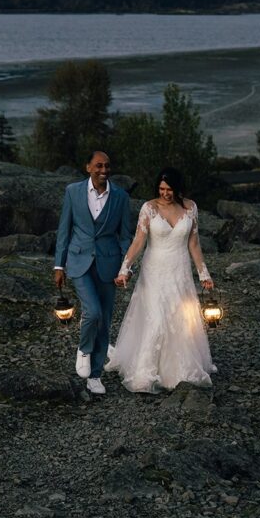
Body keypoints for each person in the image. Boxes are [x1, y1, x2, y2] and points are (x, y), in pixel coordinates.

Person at [105, 167, 216, 393]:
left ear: (178, 189)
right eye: (162, 189)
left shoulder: (190, 207)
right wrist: (124, 268)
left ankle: (179, 371)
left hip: (180, 270)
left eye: (169, 189)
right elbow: (138, 242)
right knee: (156, 317)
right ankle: (145, 373)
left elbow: (194, 244)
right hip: (154, 270)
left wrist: (204, 273)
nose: (165, 193)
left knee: (180, 318)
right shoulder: (149, 208)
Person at [54, 151, 132, 395]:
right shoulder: (72, 191)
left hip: (109, 265)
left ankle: (95, 375)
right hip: (79, 262)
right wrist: (59, 265)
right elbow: (64, 229)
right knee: (93, 311)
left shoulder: (120, 196)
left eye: (108, 166)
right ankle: (84, 349)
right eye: (99, 165)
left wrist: (125, 267)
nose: (104, 170)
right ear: (88, 167)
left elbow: (125, 235)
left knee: (105, 320)